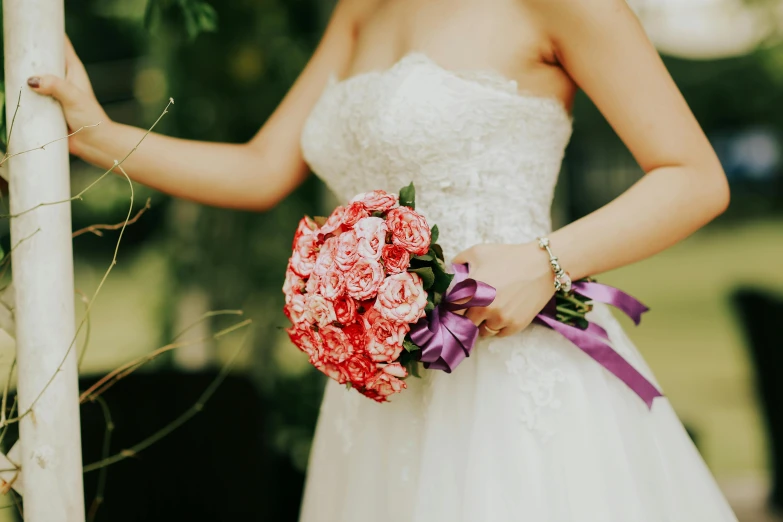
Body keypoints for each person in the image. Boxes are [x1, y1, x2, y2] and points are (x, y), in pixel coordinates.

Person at [28, 0, 737, 520]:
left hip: (516, 369)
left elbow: (693, 176)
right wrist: (96, 134)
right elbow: (261, 168)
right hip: (380, 396)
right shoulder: (360, 8)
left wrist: (545, 260)